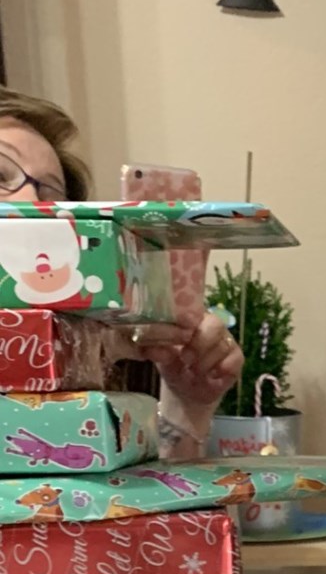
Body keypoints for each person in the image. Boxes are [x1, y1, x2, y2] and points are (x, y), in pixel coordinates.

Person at [0, 88, 242, 458]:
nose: (31, 204)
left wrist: (188, 407)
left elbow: (139, 493)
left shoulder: (99, 356)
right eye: (2, 175)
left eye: (51, 196)